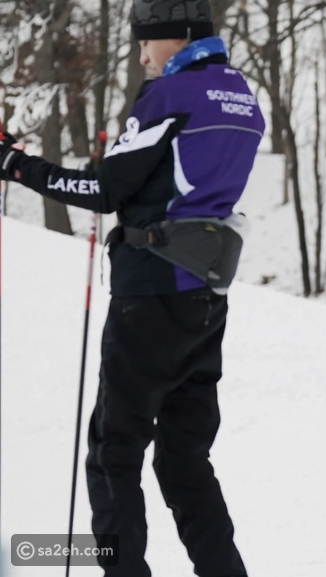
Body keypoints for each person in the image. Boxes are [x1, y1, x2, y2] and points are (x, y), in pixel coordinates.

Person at [0, 0, 264, 573]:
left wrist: (15, 164)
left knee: (113, 453)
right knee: (184, 459)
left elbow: (103, 190)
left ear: (177, 38)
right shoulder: (241, 94)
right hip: (206, 297)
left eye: (146, 41)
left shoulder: (172, 95)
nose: (141, 54)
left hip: (151, 290)